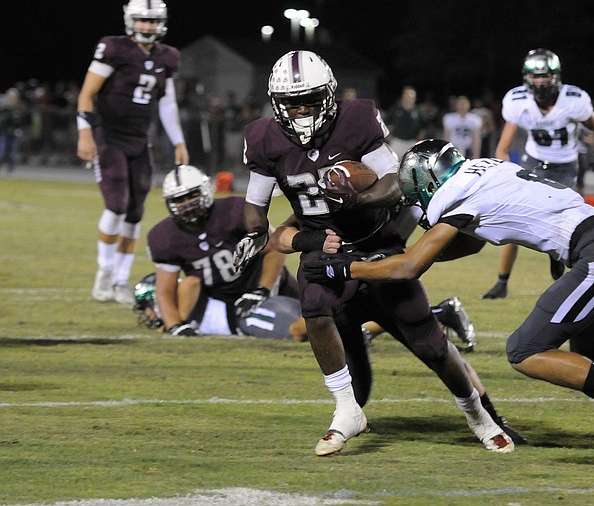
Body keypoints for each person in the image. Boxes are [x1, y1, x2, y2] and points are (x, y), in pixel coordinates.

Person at [304, 139, 594, 470]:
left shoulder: (458, 193)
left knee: (524, 350)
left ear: (428, 182)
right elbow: (460, 246)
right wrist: (387, 261)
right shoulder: (485, 170)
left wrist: (347, 267)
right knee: (587, 371)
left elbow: (410, 267)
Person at [234, 50, 521, 456]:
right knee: (313, 308)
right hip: (325, 249)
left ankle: (479, 415)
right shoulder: (264, 139)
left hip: (375, 244)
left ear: (329, 95)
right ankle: (347, 408)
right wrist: (257, 233)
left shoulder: (355, 119)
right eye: (291, 103)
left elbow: (395, 181)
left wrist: (357, 198)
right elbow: (255, 211)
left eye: (310, 101)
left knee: (430, 344)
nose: (300, 112)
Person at [76, 0, 189, 304]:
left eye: (152, 20)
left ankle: (121, 281)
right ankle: (105, 272)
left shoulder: (168, 56)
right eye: (142, 19)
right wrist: (85, 134)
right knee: (116, 204)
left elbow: (167, 103)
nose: (147, 25)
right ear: (130, 19)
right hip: (107, 135)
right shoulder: (114, 48)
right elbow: (87, 94)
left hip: (139, 139)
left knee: (135, 212)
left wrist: (179, 141)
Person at [482, 48, 594, 299]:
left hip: (564, 166)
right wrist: (506, 170)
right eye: (535, 76)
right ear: (526, 78)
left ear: (556, 76)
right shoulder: (519, 102)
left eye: (545, 76)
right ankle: (502, 282)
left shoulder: (572, 99)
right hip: (534, 162)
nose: (540, 82)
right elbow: (503, 148)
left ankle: (562, 264)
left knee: (563, 223)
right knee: (512, 218)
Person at [146, 165, 294, 336]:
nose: (186, 204)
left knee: (316, 313)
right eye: (179, 199)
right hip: (224, 302)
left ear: (206, 190)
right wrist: (174, 326)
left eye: (192, 195)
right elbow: (165, 290)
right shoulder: (164, 236)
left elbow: (273, 249)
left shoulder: (234, 210)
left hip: (270, 284)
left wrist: (261, 290)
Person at [132, 272, 304, 340]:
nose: (148, 314)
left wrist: (179, 322)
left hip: (249, 316)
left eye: (147, 306)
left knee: (299, 332)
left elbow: (191, 282)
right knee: (315, 322)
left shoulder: (183, 294)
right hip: (260, 309)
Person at [384, 85, 424, 159]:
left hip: (412, 142)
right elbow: (385, 122)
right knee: (394, 163)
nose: (409, 99)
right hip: (397, 141)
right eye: (407, 96)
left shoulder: (418, 111)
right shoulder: (395, 110)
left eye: (411, 97)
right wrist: (388, 136)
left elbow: (424, 126)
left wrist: (420, 138)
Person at [0, 88, 31, 174]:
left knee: (12, 153)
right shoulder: (4, 109)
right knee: (1, 152)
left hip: (14, 134)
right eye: (10, 97)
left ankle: (10, 170)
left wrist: (19, 130)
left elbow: (24, 121)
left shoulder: (20, 109)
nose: (12, 99)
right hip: (4, 133)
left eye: (13, 97)